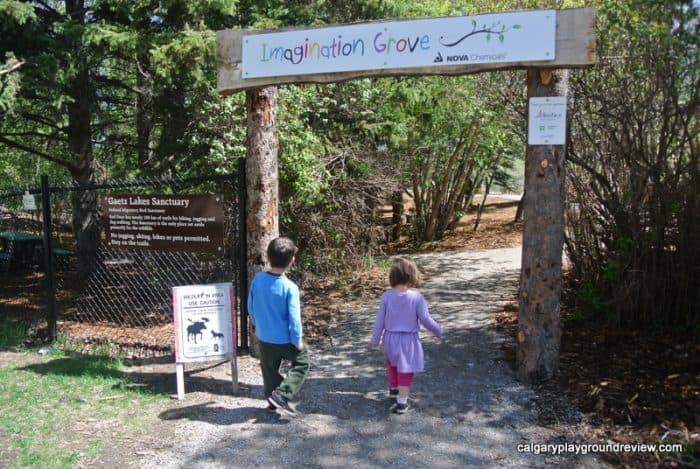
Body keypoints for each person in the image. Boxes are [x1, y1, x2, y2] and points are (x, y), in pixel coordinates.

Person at [370, 256, 443, 414]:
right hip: (408, 340)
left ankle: (394, 388)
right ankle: (402, 402)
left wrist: (375, 339)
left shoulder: (386, 297)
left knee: (392, 364)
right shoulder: (417, 297)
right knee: (406, 369)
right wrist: (438, 331)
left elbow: (379, 320)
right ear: (412, 275)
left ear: (393, 276)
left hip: (390, 338)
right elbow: (425, 319)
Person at [247, 237, 309, 416]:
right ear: (292, 261)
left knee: (269, 369)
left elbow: (250, 306)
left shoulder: (258, 280)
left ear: (267, 257)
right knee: (302, 361)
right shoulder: (290, 287)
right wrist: (297, 340)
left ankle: (271, 400)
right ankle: (282, 394)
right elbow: (294, 318)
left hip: (264, 336)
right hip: (285, 339)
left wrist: (256, 324)